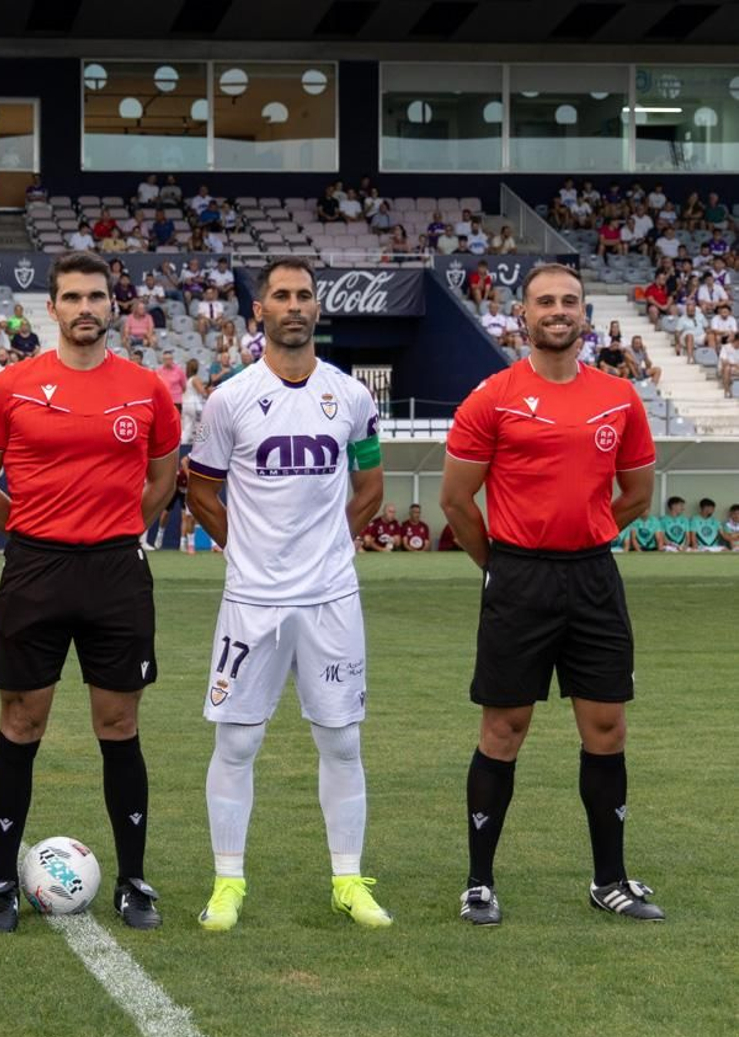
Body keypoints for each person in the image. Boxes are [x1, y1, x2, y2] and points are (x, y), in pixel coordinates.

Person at [0, 251, 181, 932]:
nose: (85, 308)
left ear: (113, 306)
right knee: (20, 723)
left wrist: (114, 531)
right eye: (73, 297)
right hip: (35, 571)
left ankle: (135, 878)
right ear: (50, 309)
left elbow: (163, 481)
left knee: (119, 726)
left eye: (97, 296)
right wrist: (31, 532)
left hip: (116, 572)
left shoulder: (147, 389)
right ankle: (1, 880)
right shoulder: (12, 387)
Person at [440, 263, 662, 926]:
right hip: (518, 579)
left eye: (569, 301)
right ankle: (479, 881)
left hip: (594, 580)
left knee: (607, 727)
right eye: (545, 301)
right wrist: (500, 564)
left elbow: (638, 494)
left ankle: (609, 879)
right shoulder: (494, 396)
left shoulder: (620, 397)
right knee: (503, 728)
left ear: (584, 315)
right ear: (523, 315)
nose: (558, 310)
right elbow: (456, 500)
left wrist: (589, 535)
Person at [185, 258, 390, 933]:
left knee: (342, 739)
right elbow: (202, 490)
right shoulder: (230, 398)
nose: (294, 305)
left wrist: (333, 546)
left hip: (332, 597)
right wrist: (240, 550)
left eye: (305, 295)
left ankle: (347, 879)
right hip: (253, 601)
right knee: (238, 740)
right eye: (281, 295)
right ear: (260, 313)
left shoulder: (353, 397)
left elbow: (370, 487)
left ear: (317, 310)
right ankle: (227, 881)